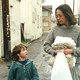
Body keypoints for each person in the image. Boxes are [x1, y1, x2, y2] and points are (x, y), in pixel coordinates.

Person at [43, 4, 80, 80]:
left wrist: (71, 51)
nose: (58, 18)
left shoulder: (78, 30)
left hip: (73, 66)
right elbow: (46, 45)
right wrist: (54, 51)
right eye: (57, 16)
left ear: (67, 15)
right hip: (58, 65)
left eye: (60, 15)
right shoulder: (55, 29)